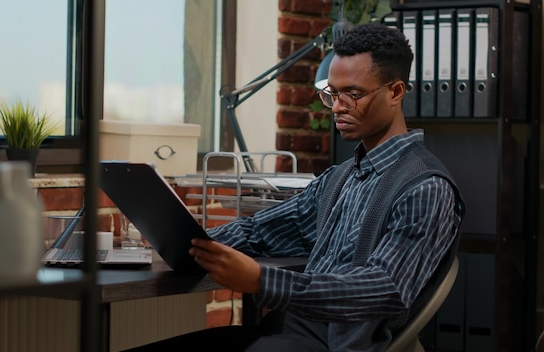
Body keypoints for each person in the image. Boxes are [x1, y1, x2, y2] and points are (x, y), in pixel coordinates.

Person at [125, 22, 465, 352]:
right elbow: (261, 231)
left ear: (395, 92)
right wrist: (183, 242)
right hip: (284, 332)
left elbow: (380, 291)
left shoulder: (425, 188)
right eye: (332, 93)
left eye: (354, 94)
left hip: (332, 344)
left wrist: (262, 281)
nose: (339, 107)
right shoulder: (340, 178)